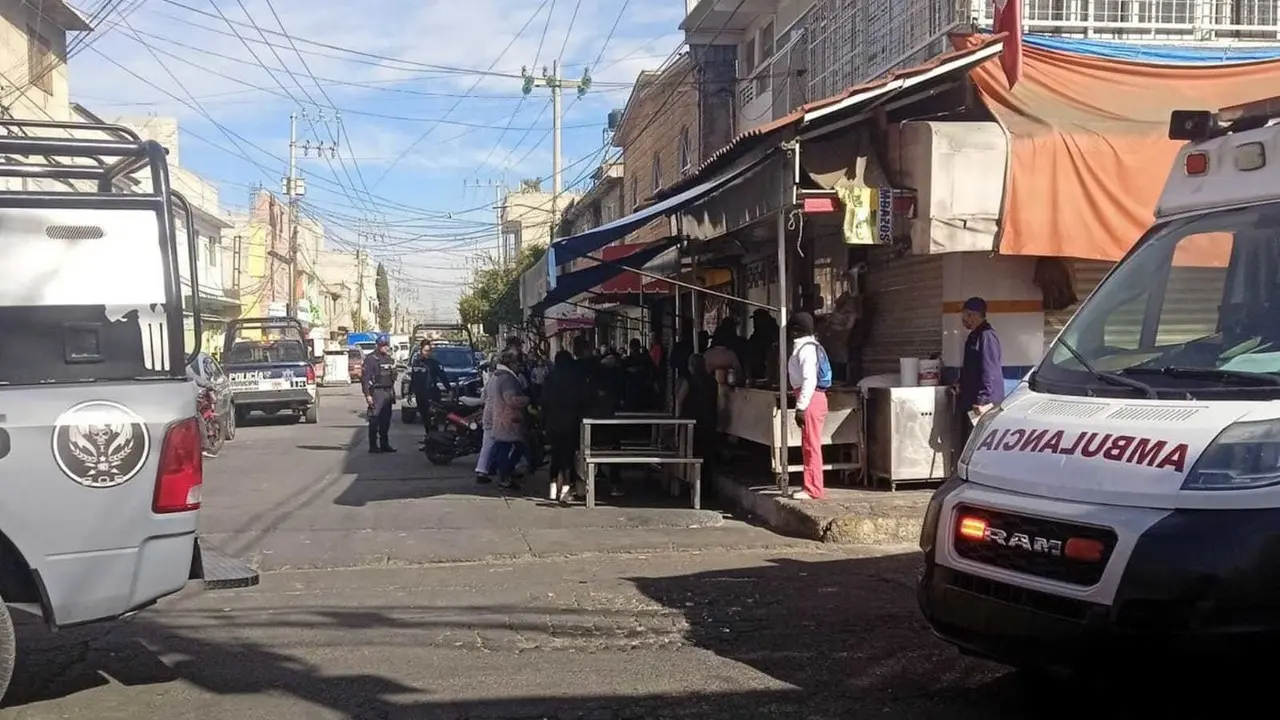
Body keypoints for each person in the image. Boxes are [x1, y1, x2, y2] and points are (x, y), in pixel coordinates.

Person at [787, 312, 831, 500]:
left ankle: (813, 489)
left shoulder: (806, 349)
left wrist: (801, 406)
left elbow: (809, 379)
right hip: (812, 398)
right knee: (809, 444)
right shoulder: (809, 347)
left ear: (796, 330)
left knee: (811, 445)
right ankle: (811, 485)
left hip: (811, 399)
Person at [956, 296, 1004, 450]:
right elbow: (971, 367)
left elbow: (990, 371)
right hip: (971, 401)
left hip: (982, 404)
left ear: (973, 315)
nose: (963, 319)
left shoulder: (987, 336)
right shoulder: (974, 336)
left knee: (977, 446)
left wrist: (983, 401)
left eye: (965, 315)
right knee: (968, 445)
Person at [541, 350, 587, 503]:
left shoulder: (549, 378)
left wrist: (543, 423)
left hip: (552, 423)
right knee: (568, 456)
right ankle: (566, 489)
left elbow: (544, 402)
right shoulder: (575, 378)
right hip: (571, 423)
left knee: (555, 455)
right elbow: (582, 400)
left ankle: (553, 488)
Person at [484, 349, 530, 490]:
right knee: (511, 448)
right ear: (511, 364)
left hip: (505, 418)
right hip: (509, 419)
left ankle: (501, 471)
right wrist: (526, 399)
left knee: (506, 447)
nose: (519, 366)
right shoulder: (507, 379)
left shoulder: (502, 376)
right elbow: (511, 400)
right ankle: (504, 476)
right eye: (517, 363)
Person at [675, 353, 719, 495]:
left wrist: (677, 420)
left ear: (691, 366)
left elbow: (679, 400)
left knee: (690, 453)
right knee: (707, 455)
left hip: (692, 423)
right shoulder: (713, 382)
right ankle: (706, 488)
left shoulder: (689, 381)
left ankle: (689, 484)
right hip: (709, 422)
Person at [409, 340, 452, 445]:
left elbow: (443, 377)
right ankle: (429, 438)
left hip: (432, 394)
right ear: (421, 350)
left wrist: (449, 389)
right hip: (420, 394)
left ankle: (435, 440)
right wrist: (410, 393)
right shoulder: (416, 363)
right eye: (425, 351)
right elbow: (413, 379)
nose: (427, 353)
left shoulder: (434, 363)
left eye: (429, 351)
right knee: (425, 418)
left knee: (433, 418)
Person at [361, 334, 398, 453]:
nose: (385, 347)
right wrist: (367, 395)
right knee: (374, 419)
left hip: (388, 391)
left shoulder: (389, 358)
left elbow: (393, 376)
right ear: (378, 345)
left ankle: (384, 444)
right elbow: (365, 379)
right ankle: (373, 446)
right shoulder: (370, 359)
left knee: (386, 420)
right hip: (377, 392)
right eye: (383, 345)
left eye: (387, 345)